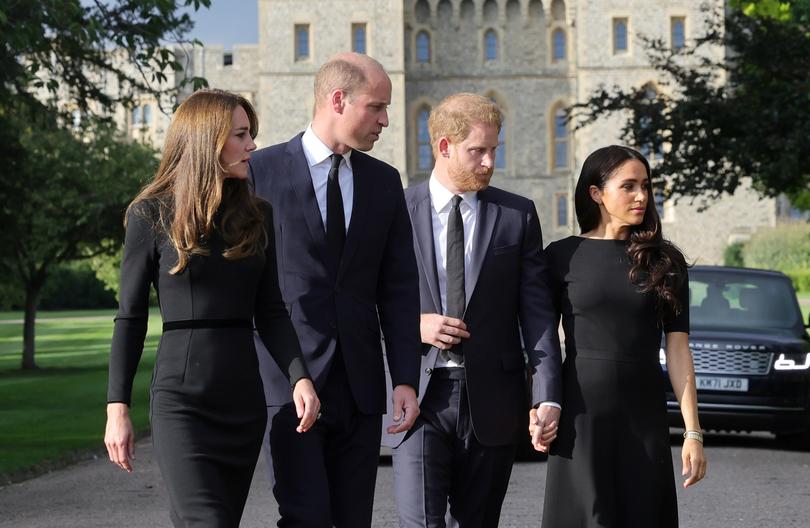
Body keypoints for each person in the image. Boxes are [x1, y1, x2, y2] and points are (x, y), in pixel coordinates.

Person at [103, 89, 319, 527]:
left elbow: (272, 310)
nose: (252, 146)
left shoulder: (257, 215)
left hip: (242, 403)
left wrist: (300, 377)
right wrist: (117, 408)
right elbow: (130, 317)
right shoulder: (151, 214)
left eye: (251, 134)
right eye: (241, 135)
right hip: (183, 404)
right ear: (208, 140)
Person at [248, 52, 422, 527]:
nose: (386, 120)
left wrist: (405, 378)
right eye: (377, 107)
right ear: (338, 99)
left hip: (362, 389)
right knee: (305, 518)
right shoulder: (260, 173)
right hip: (289, 384)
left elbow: (400, 288)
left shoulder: (384, 182)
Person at [384, 93, 563, 527]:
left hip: (493, 400)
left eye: (493, 150)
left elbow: (537, 314)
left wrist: (547, 396)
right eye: (476, 151)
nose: (488, 162)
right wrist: (413, 325)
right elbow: (361, 300)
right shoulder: (394, 211)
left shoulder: (516, 216)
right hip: (418, 395)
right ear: (443, 147)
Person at [538, 145, 707, 527]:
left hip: (643, 417)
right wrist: (540, 405)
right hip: (580, 419)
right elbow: (542, 342)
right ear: (596, 193)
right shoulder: (561, 256)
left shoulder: (665, 261)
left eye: (645, 186)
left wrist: (693, 432)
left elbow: (679, 351)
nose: (642, 196)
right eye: (628, 186)